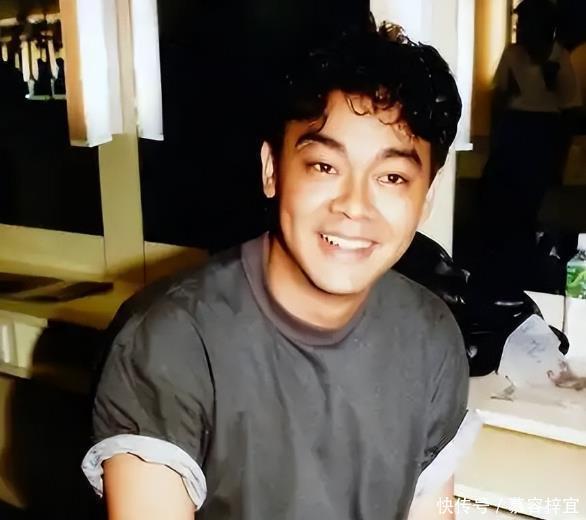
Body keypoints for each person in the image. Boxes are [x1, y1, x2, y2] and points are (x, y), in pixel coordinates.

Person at [82, 20, 480, 520]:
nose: (354, 205)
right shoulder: (168, 341)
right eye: (325, 167)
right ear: (272, 169)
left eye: (392, 177)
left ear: (426, 199)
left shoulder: (431, 338)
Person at [478, 0, 582, 293]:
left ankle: (529, 273)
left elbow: (571, 110)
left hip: (543, 133)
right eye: (518, 26)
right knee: (499, 201)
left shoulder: (559, 58)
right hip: (515, 129)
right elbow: (499, 99)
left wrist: (559, 157)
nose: (520, 31)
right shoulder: (513, 54)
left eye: (524, 25)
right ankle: (500, 270)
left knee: (531, 208)